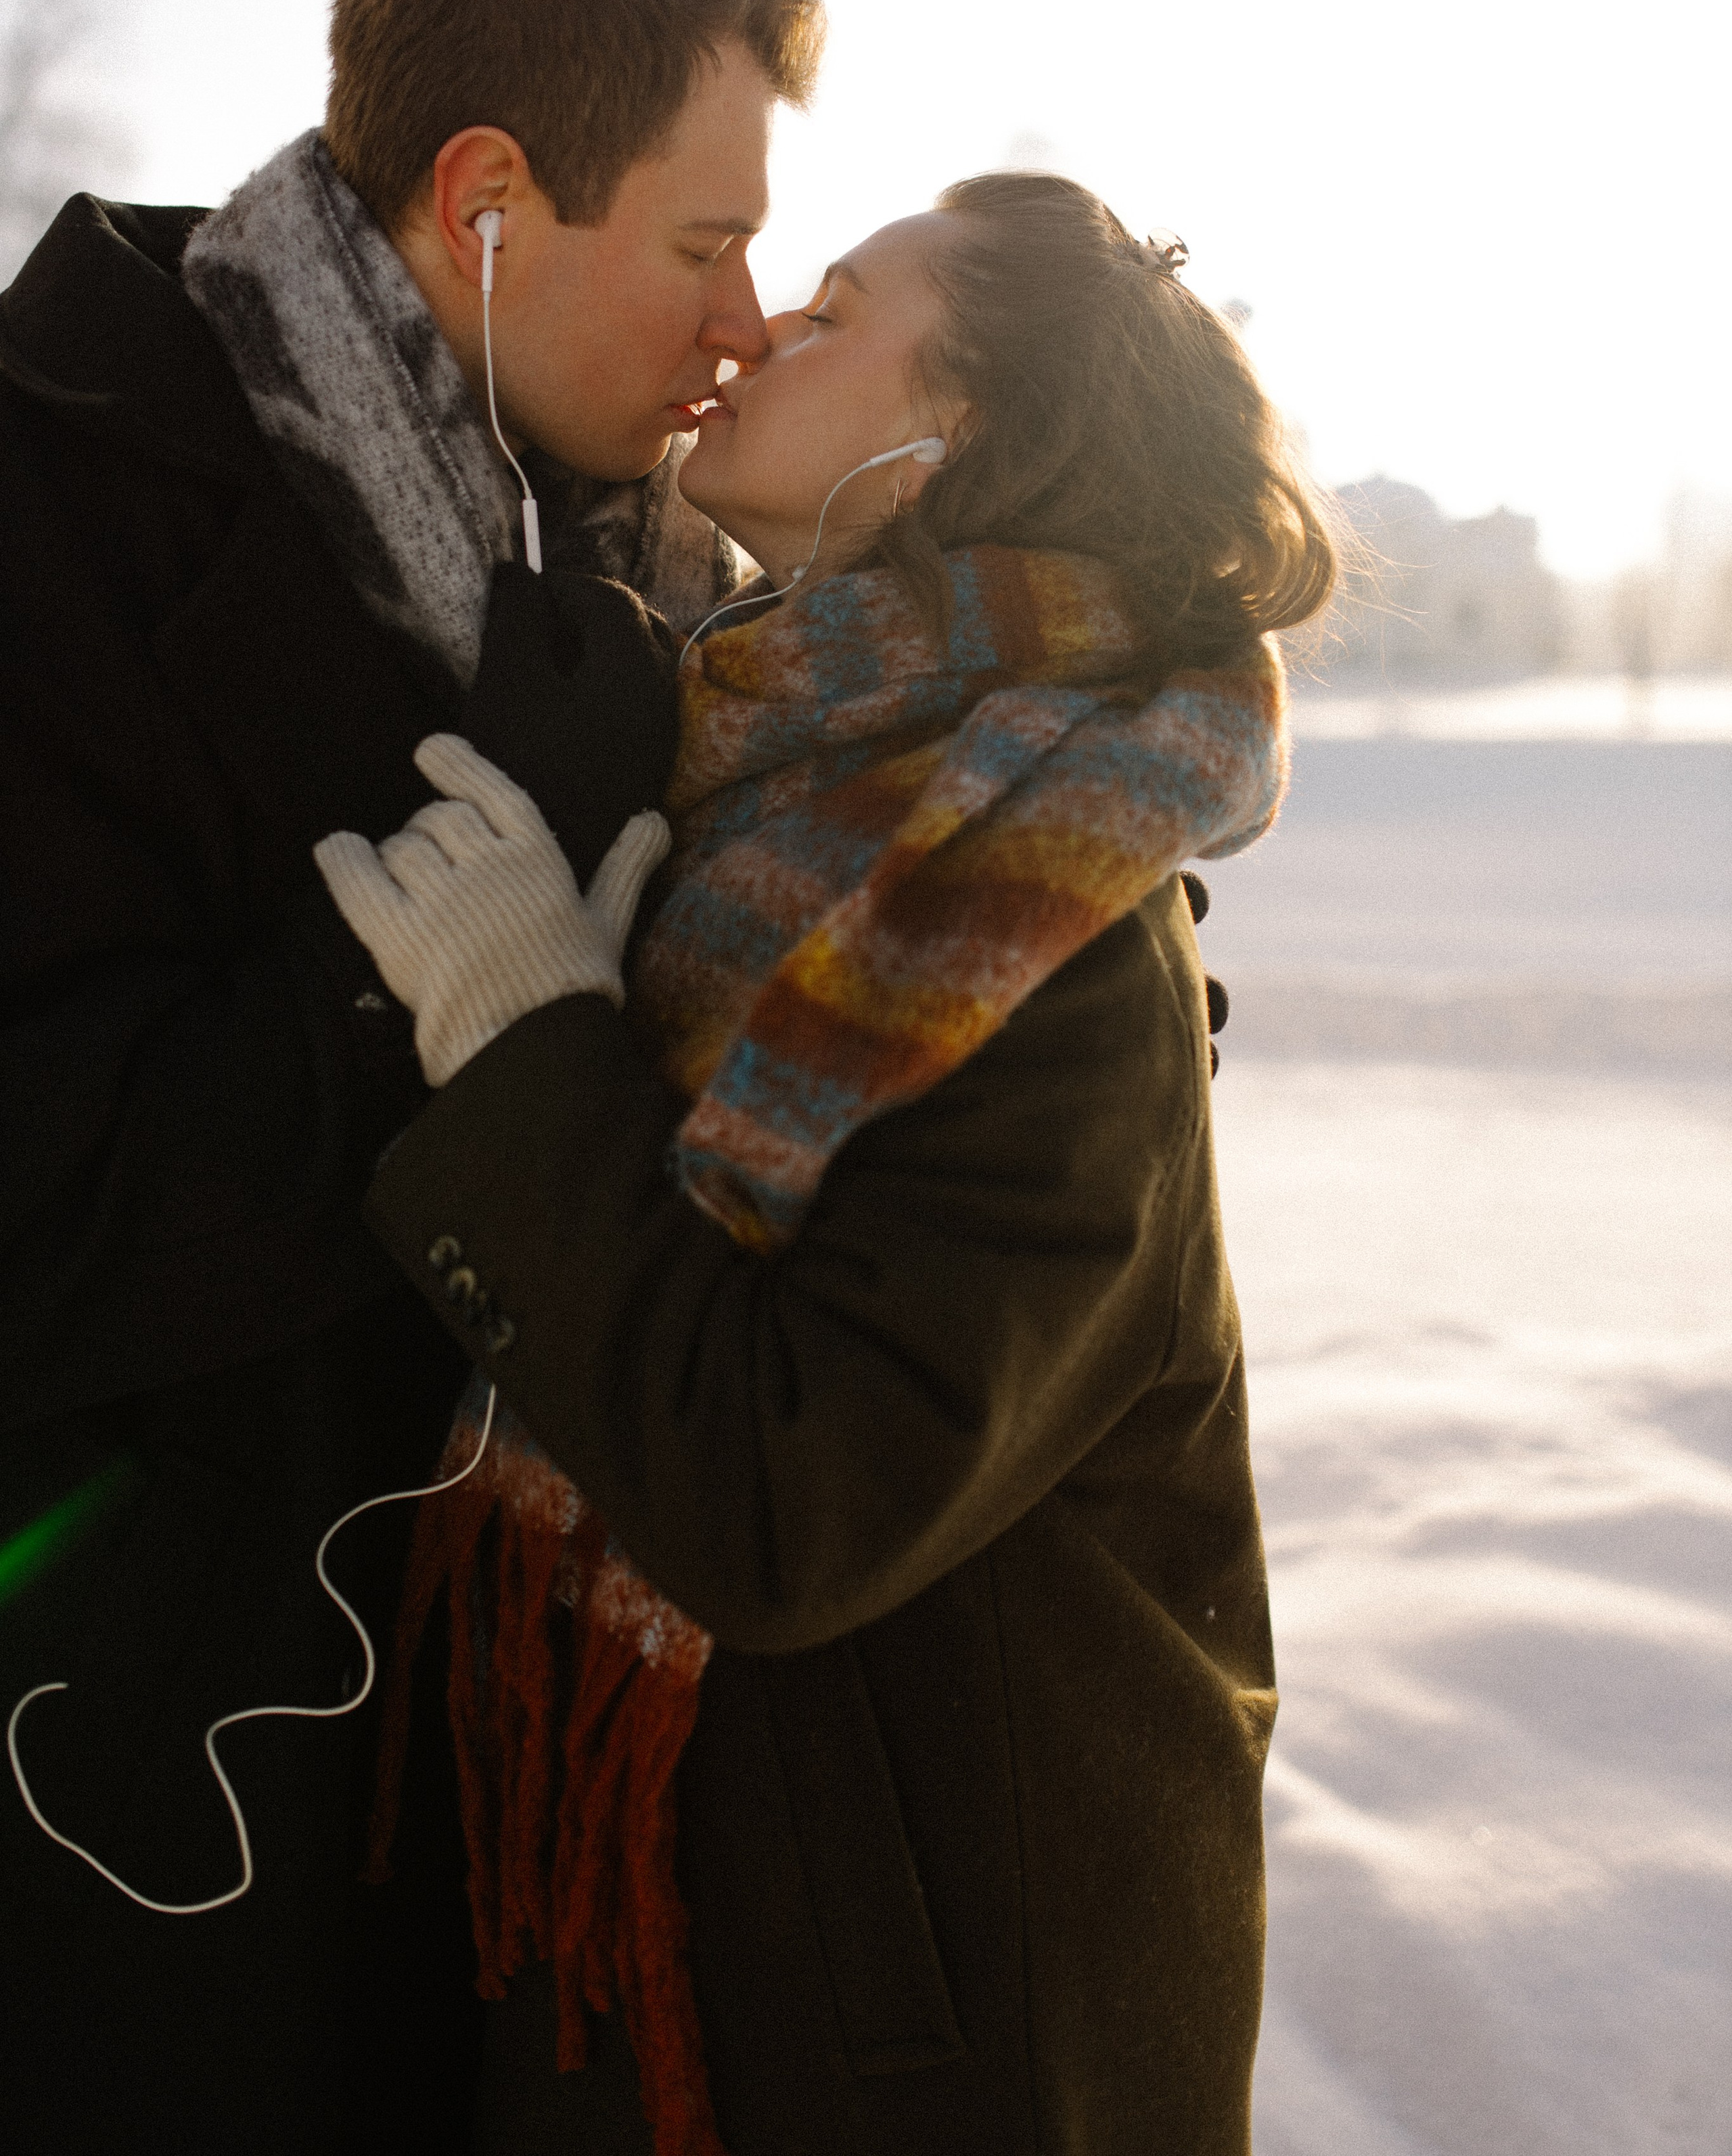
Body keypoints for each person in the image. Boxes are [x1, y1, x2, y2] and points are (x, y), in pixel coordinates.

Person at [316, 171, 1338, 2155]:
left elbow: (788, 1503)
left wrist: (534, 1051)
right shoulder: (757, 790)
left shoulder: (1046, 919)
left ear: (952, 437)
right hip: (695, 1946)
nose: (761, 320)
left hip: (922, 2038)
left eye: (839, 307)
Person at [0, 0, 821, 2154]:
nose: (748, 323)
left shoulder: (637, 568)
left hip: (527, 1847)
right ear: (482, 204)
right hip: (147, 1842)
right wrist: (436, 945)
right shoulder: (59, 498)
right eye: (706, 242)